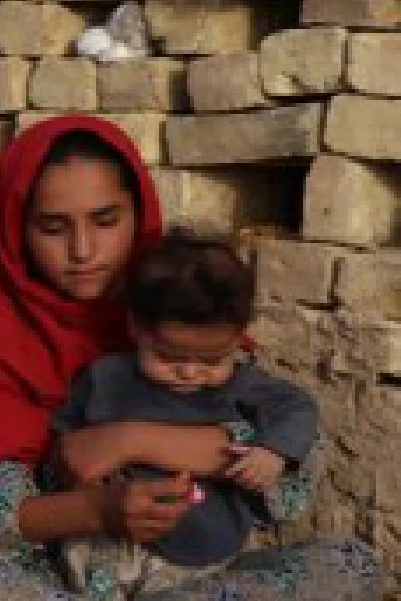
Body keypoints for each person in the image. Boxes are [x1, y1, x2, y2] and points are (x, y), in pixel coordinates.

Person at [0, 116, 379, 601]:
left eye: (106, 221)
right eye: (53, 228)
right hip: (47, 580)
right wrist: (94, 511)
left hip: (179, 586)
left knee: (351, 568)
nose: (83, 251)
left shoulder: (184, 321)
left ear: (139, 215)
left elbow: (289, 478)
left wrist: (131, 439)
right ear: (14, 231)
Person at [57, 231, 317, 572]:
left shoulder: (242, 384)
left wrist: (274, 451)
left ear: (238, 339)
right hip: (114, 543)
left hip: (207, 551)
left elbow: (296, 407)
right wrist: (79, 480)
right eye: (168, 357)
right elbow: (66, 442)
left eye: (212, 361)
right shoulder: (106, 379)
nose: (190, 373)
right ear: (136, 327)